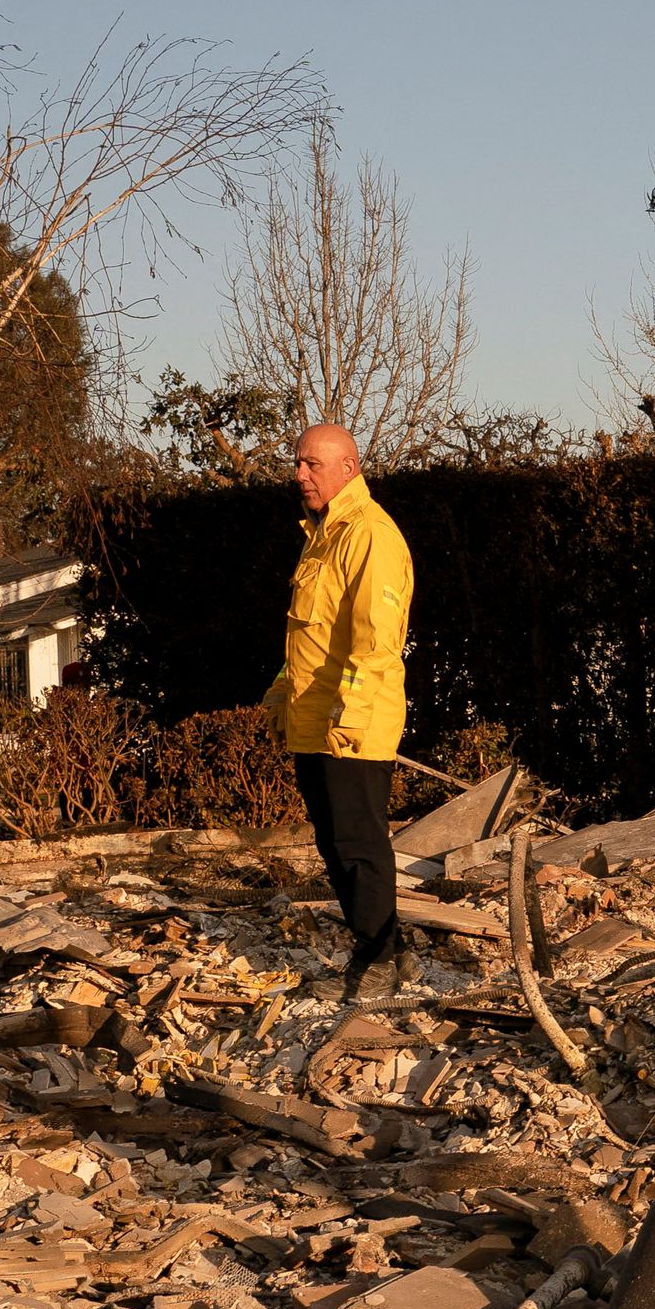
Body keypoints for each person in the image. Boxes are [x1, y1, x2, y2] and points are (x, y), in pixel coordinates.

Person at [265, 423, 418, 1004]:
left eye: (312, 464)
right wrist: (282, 694)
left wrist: (349, 715)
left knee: (359, 843)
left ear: (349, 468)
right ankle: (389, 951)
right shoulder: (323, 535)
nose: (299, 475)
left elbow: (375, 642)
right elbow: (310, 638)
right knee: (334, 842)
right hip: (315, 720)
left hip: (352, 722)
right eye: (297, 463)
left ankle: (376, 964)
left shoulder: (370, 535)